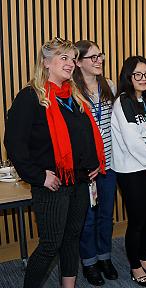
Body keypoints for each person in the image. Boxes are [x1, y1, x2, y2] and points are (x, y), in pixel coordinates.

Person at [5, 37, 105, 288]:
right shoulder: (30, 97)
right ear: (46, 63)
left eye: (72, 58)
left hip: (80, 182)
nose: (70, 63)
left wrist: (92, 163)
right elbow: (14, 144)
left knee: (72, 238)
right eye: (64, 58)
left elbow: (85, 136)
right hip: (52, 184)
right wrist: (39, 177)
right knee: (51, 244)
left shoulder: (75, 95)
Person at [111, 56, 146, 287]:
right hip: (132, 170)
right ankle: (135, 265)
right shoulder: (123, 102)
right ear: (128, 77)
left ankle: (145, 258)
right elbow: (132, 142)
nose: (143, 79)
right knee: (137, 220)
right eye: (138, 74)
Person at [72, 39, 119, 286]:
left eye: (100, 55)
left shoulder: (109, 85)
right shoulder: (72, 91)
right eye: (92, 57)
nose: (99, 60)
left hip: (109, 165)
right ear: (78, 63)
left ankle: (105, 257)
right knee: (87, 218)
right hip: (86, 168)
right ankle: (89, 262)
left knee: (105, 215)